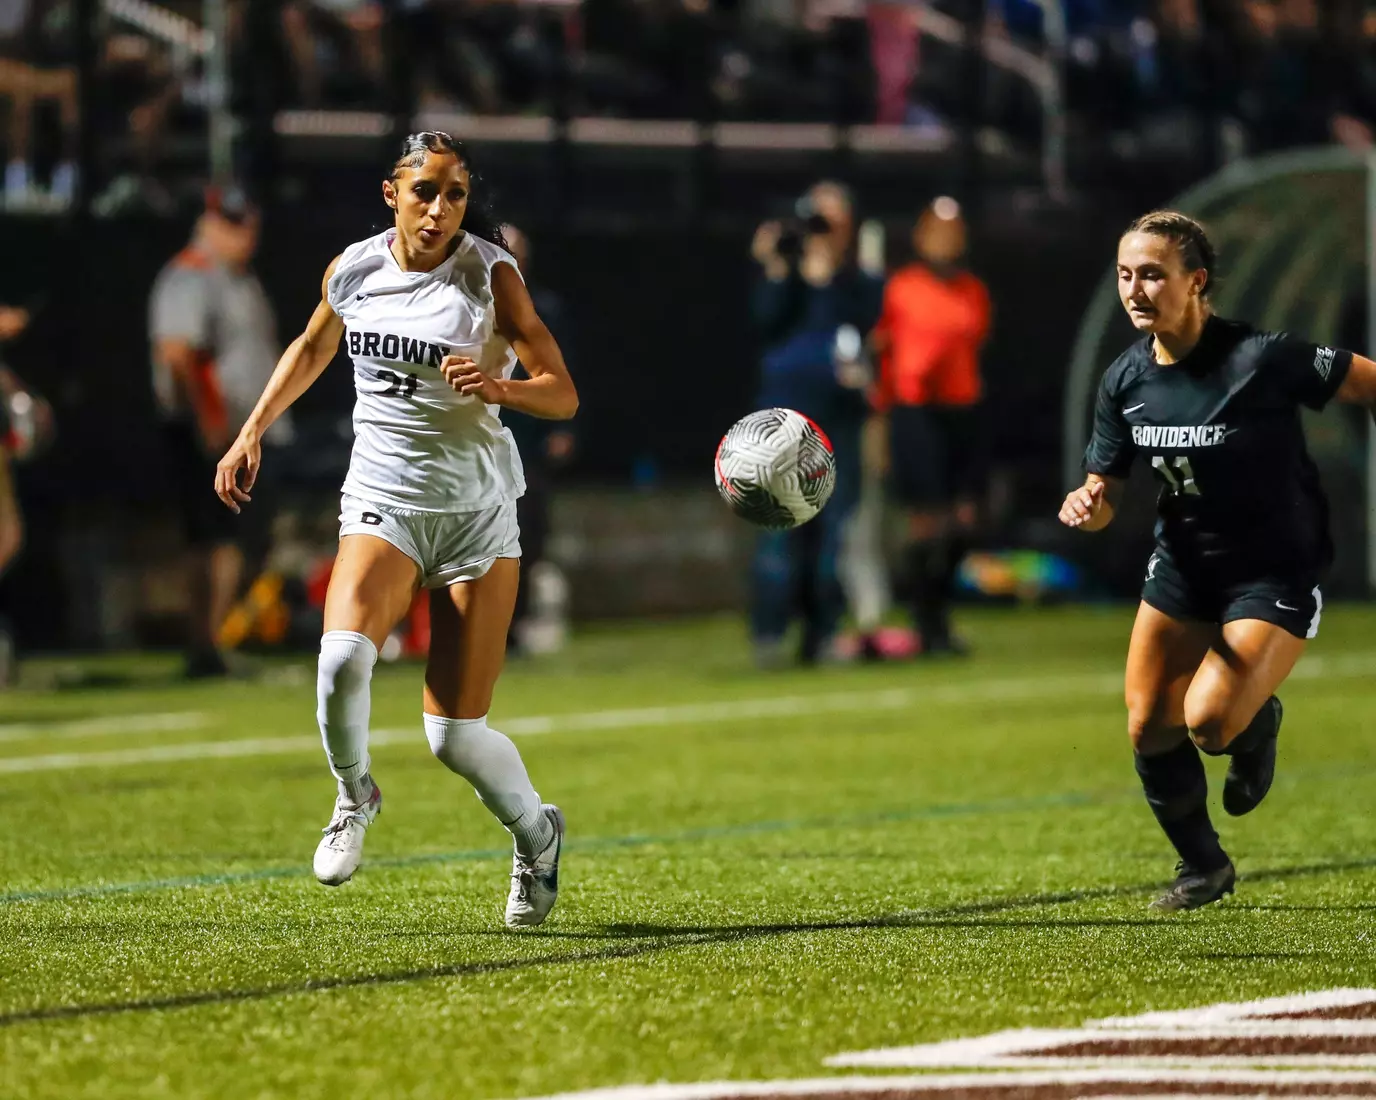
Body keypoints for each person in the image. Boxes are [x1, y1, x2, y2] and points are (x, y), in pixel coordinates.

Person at [214, 131, 578, 929]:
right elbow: (313, 345)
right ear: (392, 194)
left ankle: (536, 835)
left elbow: (562, 393)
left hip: (477, 514)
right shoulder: (356, 268)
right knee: (342, 657)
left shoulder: (490, 274)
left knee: (453, 736)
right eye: (424, 192)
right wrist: (250, 434)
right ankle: (354, 795)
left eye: (454, 193)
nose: (440, 208)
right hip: (384, 499)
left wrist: (500, 390)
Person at [1059, 210, 1376, 912]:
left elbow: (1368, 384)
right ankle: (1202, 866)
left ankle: (1255, 722)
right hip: (1183, 566)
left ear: (1196, 281)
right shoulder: (1124, 380)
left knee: (1208, 723)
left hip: (1272, 568)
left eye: (1152, 275)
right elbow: (1106, 491)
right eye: (1124, 275)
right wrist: (1089, 503)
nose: (1135, 290)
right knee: (1148, 724)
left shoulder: (1262, 357)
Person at [149, 184, 290, 679]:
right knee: (217, 538)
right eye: (233, 224)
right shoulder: (192, 276)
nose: (244, 235)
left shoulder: (237, 279)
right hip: (212, 429)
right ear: (208, 224)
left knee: (234, 537)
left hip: (241, 430)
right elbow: (179, 354)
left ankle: (209, 642)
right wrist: (210, 422)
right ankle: (206, 643)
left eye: (248, 224)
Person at [749, 180, 883, 666]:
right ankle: (770, 633)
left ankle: (820, 633)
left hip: (839, 419)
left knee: (832, 534)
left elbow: (867, 322)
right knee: (779, 529)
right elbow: (765, 320)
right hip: (783, 419)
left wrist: (830, 273)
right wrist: (780, 268)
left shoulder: (858, 280)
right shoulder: (786, 274)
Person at [871, 196, 991, 656]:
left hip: (962, 409)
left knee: (965, 519)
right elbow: (883, 350)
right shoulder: (901, 288)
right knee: (926, 520)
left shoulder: (972, 291)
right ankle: (926, 621)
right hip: (915, 410)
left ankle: (938, 607)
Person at [500, 224, 576, 655]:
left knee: (527, 532)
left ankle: (516, 624)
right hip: (478, 438)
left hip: (526, 440)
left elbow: (564, 371)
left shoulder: (542, 309)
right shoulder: (467, 303)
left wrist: (564, 428)